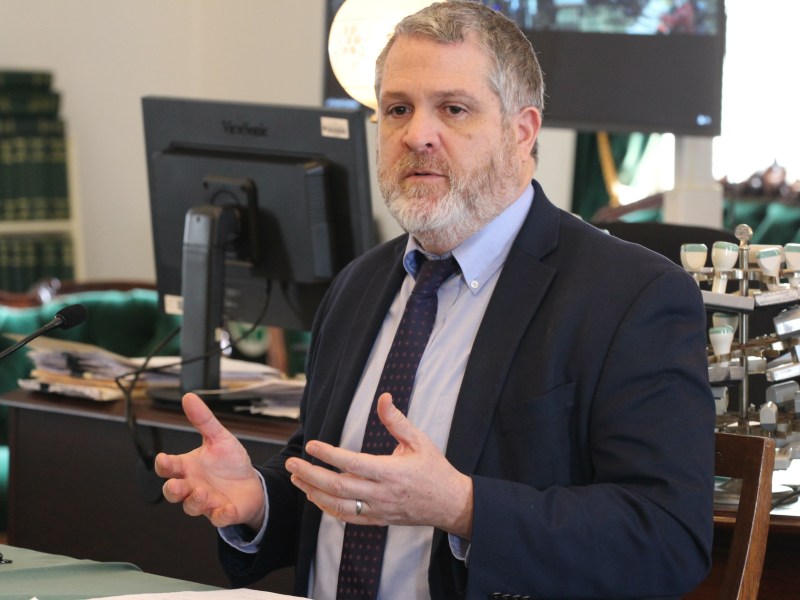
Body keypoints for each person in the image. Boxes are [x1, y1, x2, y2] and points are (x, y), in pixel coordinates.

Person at [154, 2, 715, 599]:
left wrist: (465, 507)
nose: (417, 134)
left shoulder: (633, 296)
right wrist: (257, 501)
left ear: (522, 131)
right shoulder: (357, 284)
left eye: (453, 108)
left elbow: (667, 539)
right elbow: (339, 484)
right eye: (397, 109)